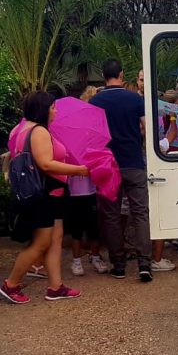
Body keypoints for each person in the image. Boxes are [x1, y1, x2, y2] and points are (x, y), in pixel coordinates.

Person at [0, 91, 90, 304]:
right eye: (52, 107)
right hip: (45, 193)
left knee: (55, 239)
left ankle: (56, 286)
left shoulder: (23, 129)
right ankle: (11, 284)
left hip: (52, 193)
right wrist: (78, 170)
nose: (55, 111)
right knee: (41, 242)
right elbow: (46, 164)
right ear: (43, 109)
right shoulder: (38, 131)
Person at [90, 60, 153, 282]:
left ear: (103, 75)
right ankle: (145, 264)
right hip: (133, 163)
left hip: (108, 166)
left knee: (111, 216)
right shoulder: (135, 99)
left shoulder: (95, 102)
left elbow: (92, 134)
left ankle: (118, 265)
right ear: (121, 74)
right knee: (140, 213)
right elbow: (147, 128)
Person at [66, 87, 108, 276]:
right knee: (76, 227)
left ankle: (95, 256)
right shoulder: (69, 138)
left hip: (91, 188)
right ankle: (76, 260)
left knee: (93, 226)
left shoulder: (93, 137)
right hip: (74, 189)